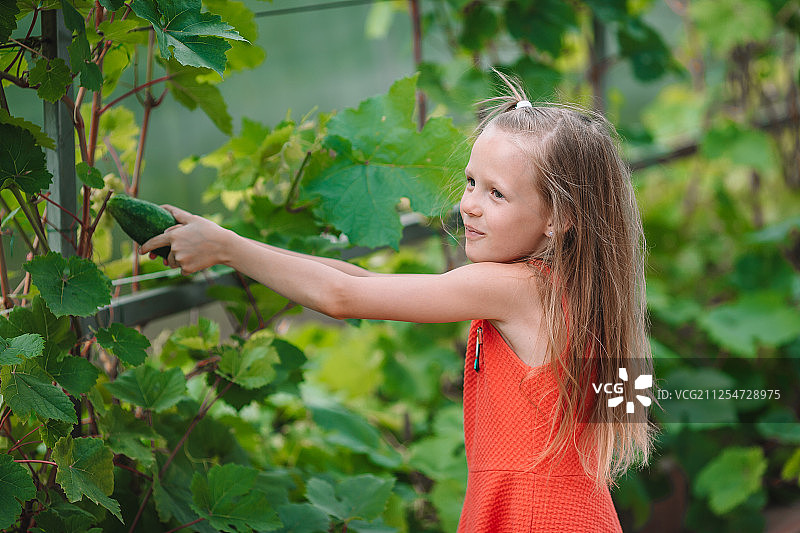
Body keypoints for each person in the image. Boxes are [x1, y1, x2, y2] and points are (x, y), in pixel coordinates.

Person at [140, 71, 658, 532]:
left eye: (496, 194)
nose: (470, 205)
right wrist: (229, 248)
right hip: (576, 508)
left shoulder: (510, 287)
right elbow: (359, 280)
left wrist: (227, 246)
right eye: (471, 182)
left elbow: (342, 298)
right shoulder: (588, 292)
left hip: (530, 513)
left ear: (558, 218)